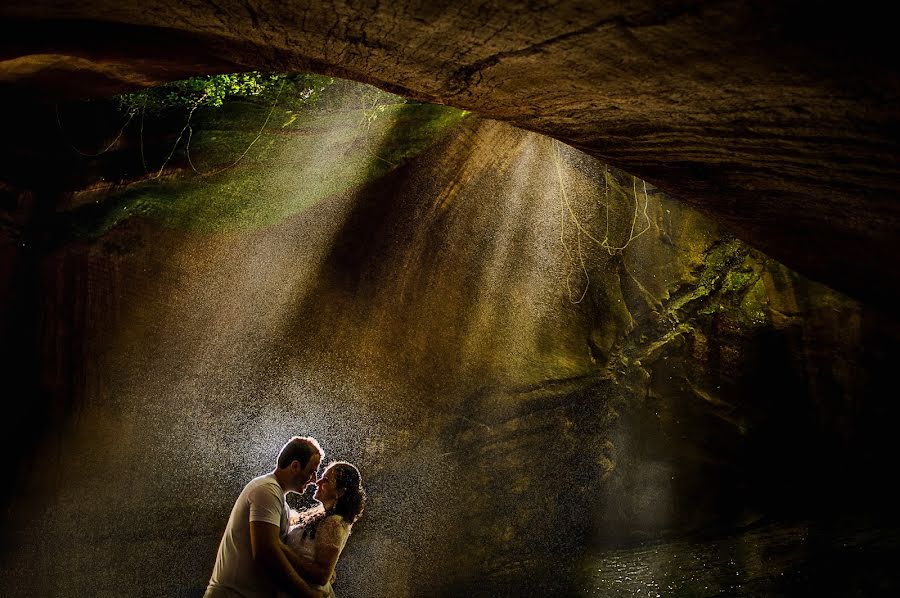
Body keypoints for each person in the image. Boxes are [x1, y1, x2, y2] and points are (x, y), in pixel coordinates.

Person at [204, 436, 327, 598]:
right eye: (311, 471)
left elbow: (278, 547)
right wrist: (307, 594)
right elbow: (266, 551)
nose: (314, 480)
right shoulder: (267, 490)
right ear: (295, 466)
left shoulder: (279, 500)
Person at [282, 461, 367, 598]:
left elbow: (321, 576)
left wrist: (279, 549)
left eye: (326, 480)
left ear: (340, 492)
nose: (318, 482)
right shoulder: (324, 517)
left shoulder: (334, 524)